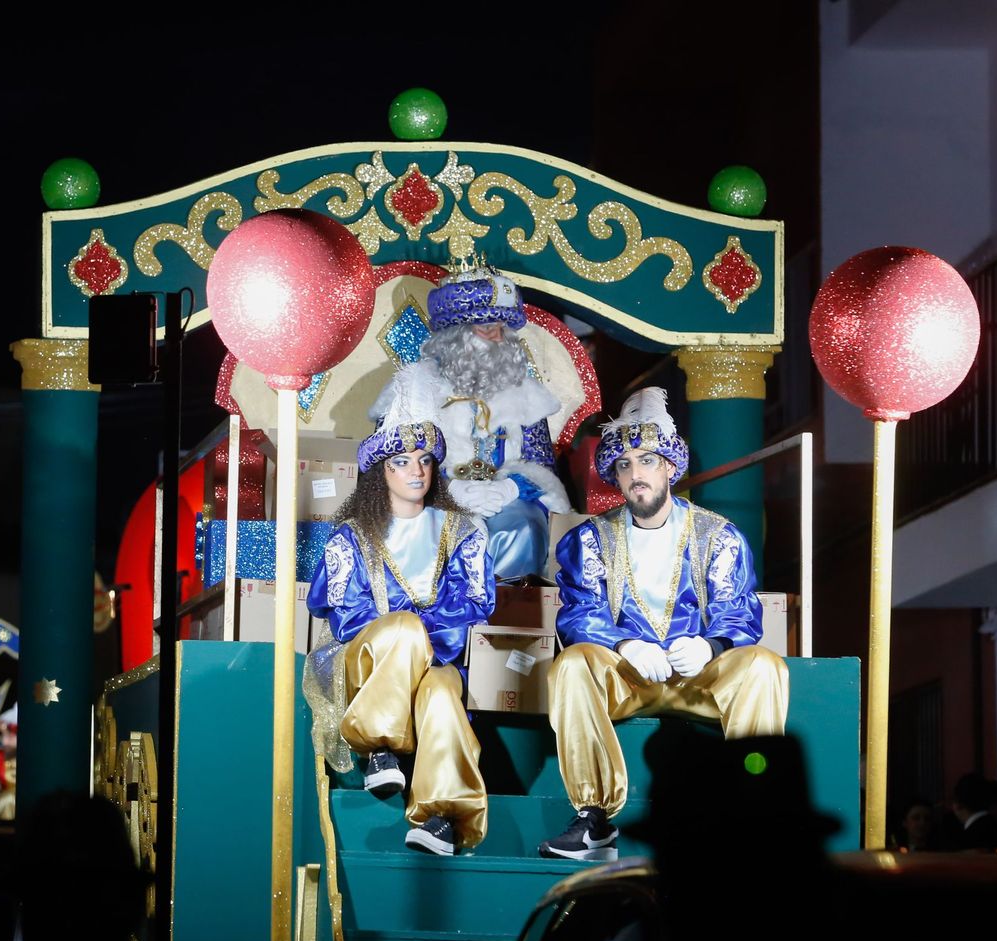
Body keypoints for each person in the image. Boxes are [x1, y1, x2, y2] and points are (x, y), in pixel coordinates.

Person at [539, 387, 788, 859]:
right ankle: (594, 819)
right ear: (615, 475)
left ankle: (754, 810)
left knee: (764, 666)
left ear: (670, 467)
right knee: (572, 665)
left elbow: (739, 610)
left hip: (700, 680)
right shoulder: (589, 540)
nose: (637, 475)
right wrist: (626, 645)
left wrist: (712, 646)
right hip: (629, 678)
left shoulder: (718, 536)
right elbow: (579, 613)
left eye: (648, 461)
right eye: (625, 465)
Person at [303, 412, 494, 856]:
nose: (416, 471)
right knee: (405, 628)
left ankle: (440, 816)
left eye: (425, 460)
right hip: (364, 660)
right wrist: (406, 629)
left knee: (445, 694)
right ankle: (377, 748)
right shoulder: (351, 536)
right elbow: (346, 612)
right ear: (379, 473)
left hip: (435, 661)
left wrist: (423, 642)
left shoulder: (462, 531)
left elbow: (471, 604)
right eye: (401, 462)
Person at [367, 257, 570, 579]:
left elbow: (540, 462)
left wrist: (511, 489)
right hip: (431, 497)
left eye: (501, 329)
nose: (497, 339)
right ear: (455, 335)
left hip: (503, 495)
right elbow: (387, 461)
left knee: (522, 528)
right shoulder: (413, 387)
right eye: (487, 328)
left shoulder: (527, 394)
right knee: (449, 537)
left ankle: (504, 624)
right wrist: (448, 491)